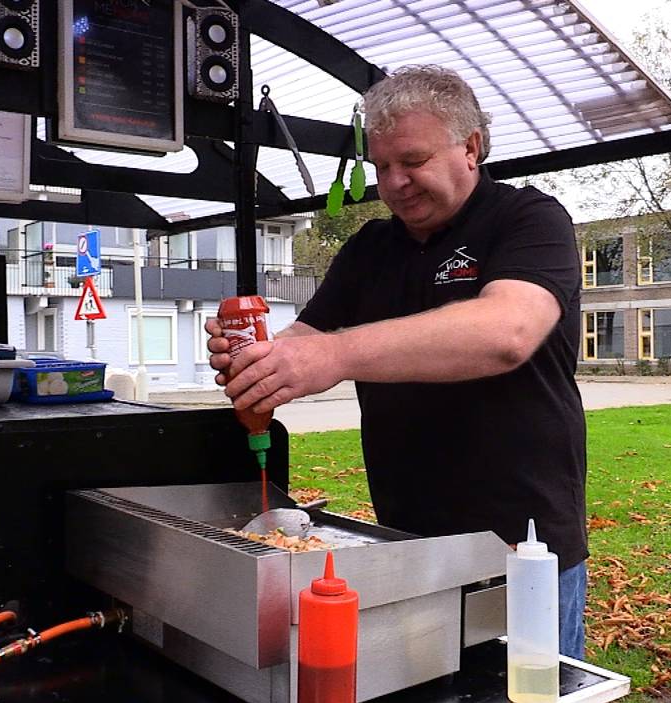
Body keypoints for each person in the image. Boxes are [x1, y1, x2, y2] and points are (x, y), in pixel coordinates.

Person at [207, 65, 588, 660]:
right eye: (381, 166)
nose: (394, 183)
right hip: (406, 542)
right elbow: (304, 338)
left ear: (471, 148)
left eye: (411, 161)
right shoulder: (369, 249)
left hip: (522, 546)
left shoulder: (528, 219)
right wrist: (259, 357)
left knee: (526, 699)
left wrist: (335, 354)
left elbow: (506, 332)